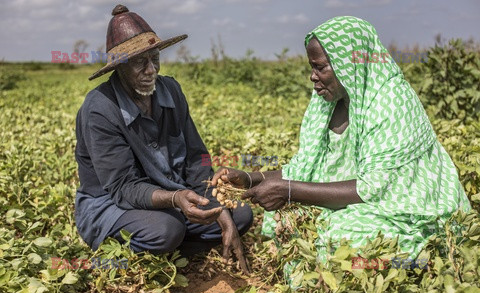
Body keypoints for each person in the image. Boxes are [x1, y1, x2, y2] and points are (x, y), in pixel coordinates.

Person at [212, 16, 470, 264]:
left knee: (344, 240)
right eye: (311, 67)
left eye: (320, 67)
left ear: (349, 64)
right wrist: (250, 178)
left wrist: (289, 191)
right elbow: (305, 168)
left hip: (407, 210)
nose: (313, 76)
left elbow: (373, 188)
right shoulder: (327, 103)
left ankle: (420, 262)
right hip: (354, 201)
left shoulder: (390, 103)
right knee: (293, 222)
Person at [75, 4, 252, 272]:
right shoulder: (100, 108)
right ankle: (145, 247)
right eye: (139, 62)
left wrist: (216, 207)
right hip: (112, 205)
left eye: (154, 58)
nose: (151, 70)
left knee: (239, 215)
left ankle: (173, 242)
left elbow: (196, 158)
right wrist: (175, 198)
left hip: (172, 196)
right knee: (166, 230)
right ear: (119, 67)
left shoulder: (170, 90)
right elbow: (123, 187)